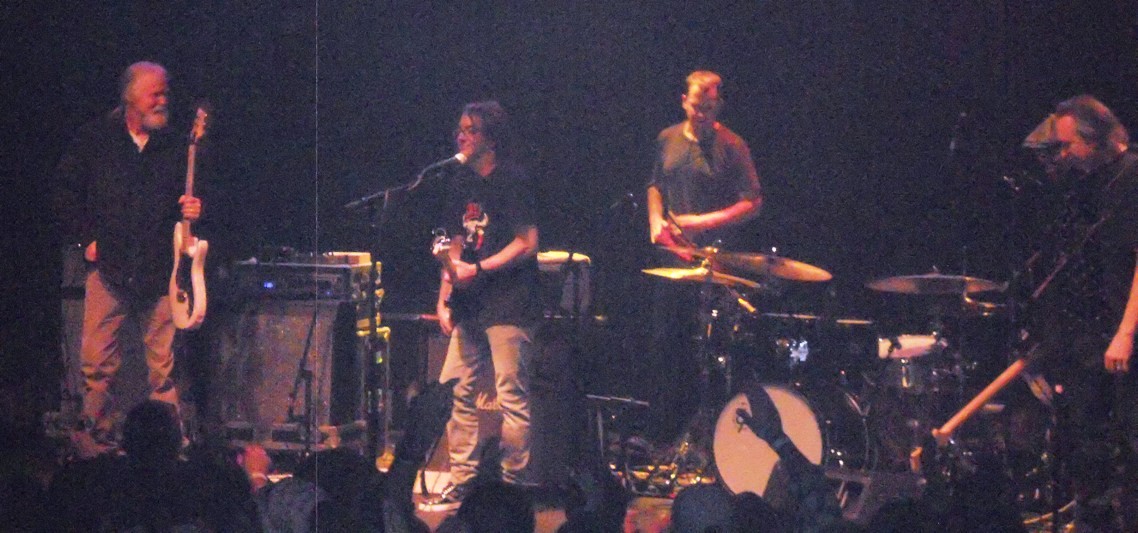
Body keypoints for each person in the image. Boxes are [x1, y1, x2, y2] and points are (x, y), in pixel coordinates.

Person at [55, 61, 202, 456]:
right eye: (155, 93)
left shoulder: (176, 146)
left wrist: (195, 209)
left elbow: (194, 202)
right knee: (96, 365)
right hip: (110, 269)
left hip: (161, 270)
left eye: (165, 92)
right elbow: (65, 192)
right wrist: (86, 239)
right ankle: (96, 441)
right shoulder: (95, 140)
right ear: (130, 97)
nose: (163, 100)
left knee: (164, 368)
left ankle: (170, 446)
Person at [1023, 94, 1138, 530]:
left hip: (1125, 334)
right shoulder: (1089, 186)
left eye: (1069, 144)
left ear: (1098, 137)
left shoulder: (1132, 177)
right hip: (1094, 337)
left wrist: (1126, 332)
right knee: (1089, 448)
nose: (1064, 154)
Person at [431, 100, 541, 507]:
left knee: (511, 395)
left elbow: (527, 242)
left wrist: (478, 269)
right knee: (454, 389)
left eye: (471, 130)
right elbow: (455, 245)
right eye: (459, 129)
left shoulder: (513, 179)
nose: (461, 136)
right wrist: (444, 297)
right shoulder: (460, 182)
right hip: (470, 303)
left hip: (510, 301)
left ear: (491, 139)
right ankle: (462, 479)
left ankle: (512, 488)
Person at [647, 70, 762, 255]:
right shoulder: (667, 137)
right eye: (695, 106)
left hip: (716, 253)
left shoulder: (733, 145)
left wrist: (701, 222)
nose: (700, 114)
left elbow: (753, 203)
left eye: (707, 108)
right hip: (673, 250)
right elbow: (655, 185)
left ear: (718, 105)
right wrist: (655, 219)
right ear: (684, 101)